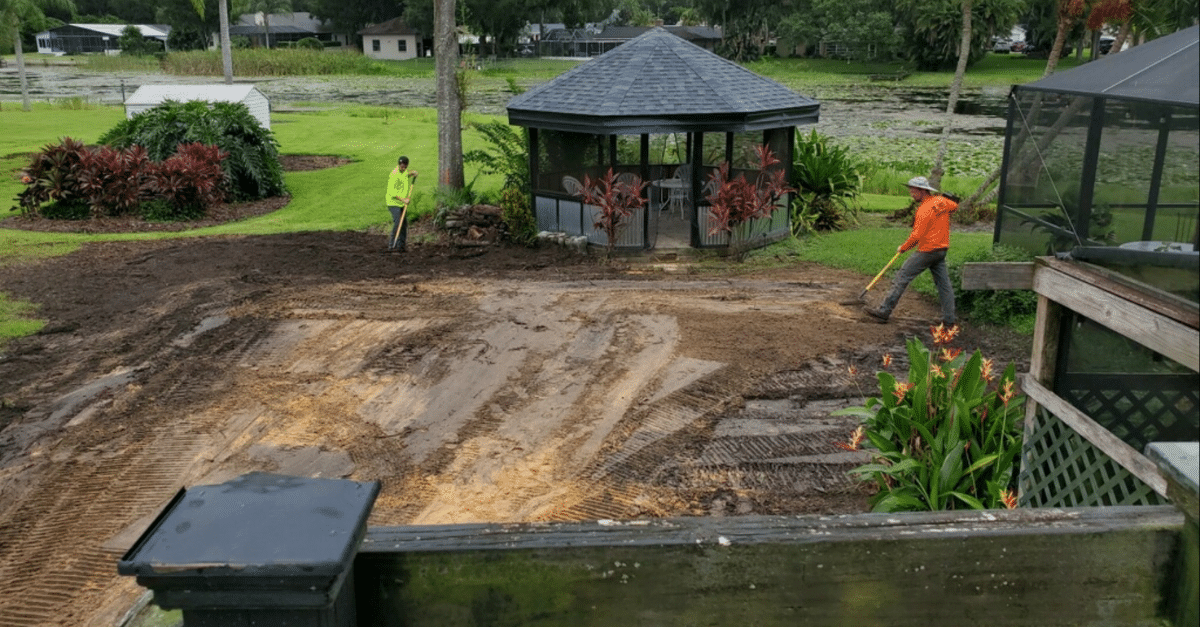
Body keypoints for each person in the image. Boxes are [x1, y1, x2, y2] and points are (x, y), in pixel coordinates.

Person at [864, 176, 959, 327]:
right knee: (944, 284)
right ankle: (949, 319)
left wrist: (903, 247)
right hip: (941, 250)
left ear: (922, 190)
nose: (910, 192)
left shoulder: (924, 210)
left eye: (913, 190)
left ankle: (884, 312)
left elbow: (916, 236)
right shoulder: (942, 201)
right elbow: (954, 206)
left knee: (902, 277)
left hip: (927, 251)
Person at [384, 156, 418, 252]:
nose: (403, 167)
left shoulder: (404, 172)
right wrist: (404, 200)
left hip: (402, 203)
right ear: (398, 164)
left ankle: (401, 246)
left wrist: (413, 173)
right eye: (401, 165)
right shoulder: (394, 175)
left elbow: (407, 174)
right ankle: (392, 245)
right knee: (398, 222)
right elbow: (392, 193)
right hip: (393, 203)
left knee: (404, 224)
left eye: (404, 165)